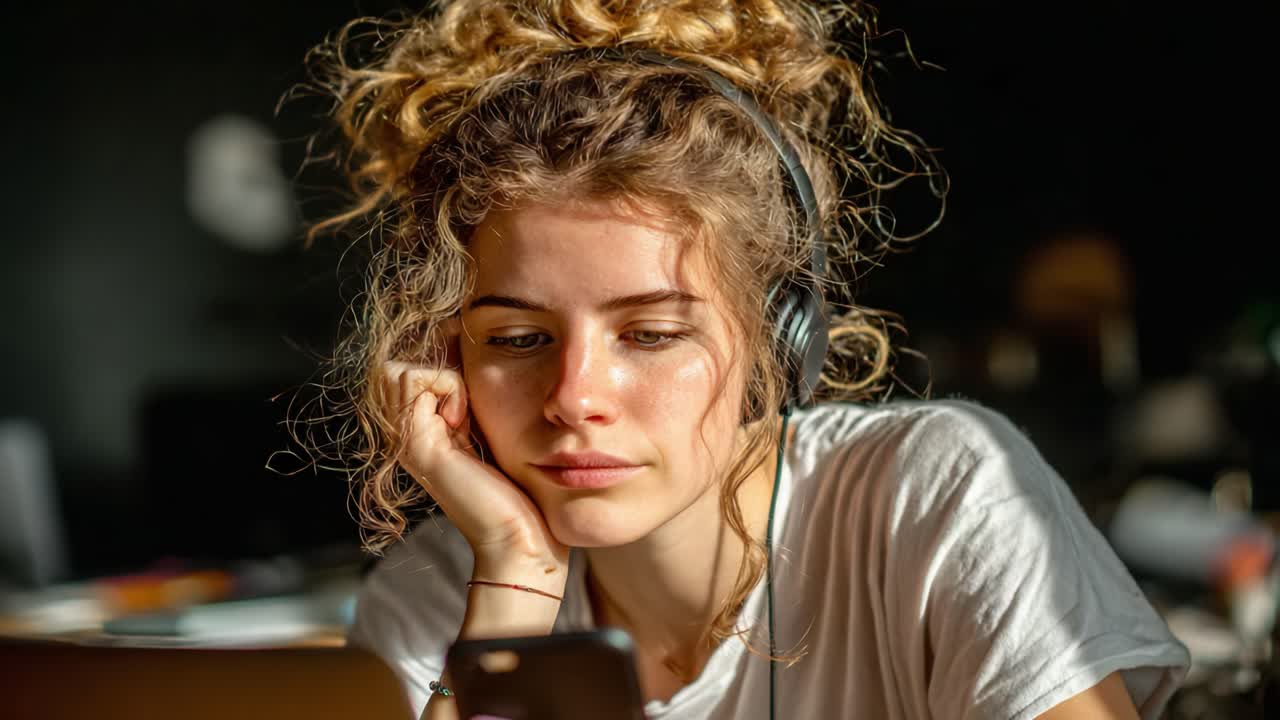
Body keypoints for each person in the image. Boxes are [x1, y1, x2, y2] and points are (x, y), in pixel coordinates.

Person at [296, 1, 1190, 718]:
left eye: (650, 334)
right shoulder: (442, 591)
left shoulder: (937, 493)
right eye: (519, 339)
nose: (574, 398)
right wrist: (515, 583)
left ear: (778, 337)